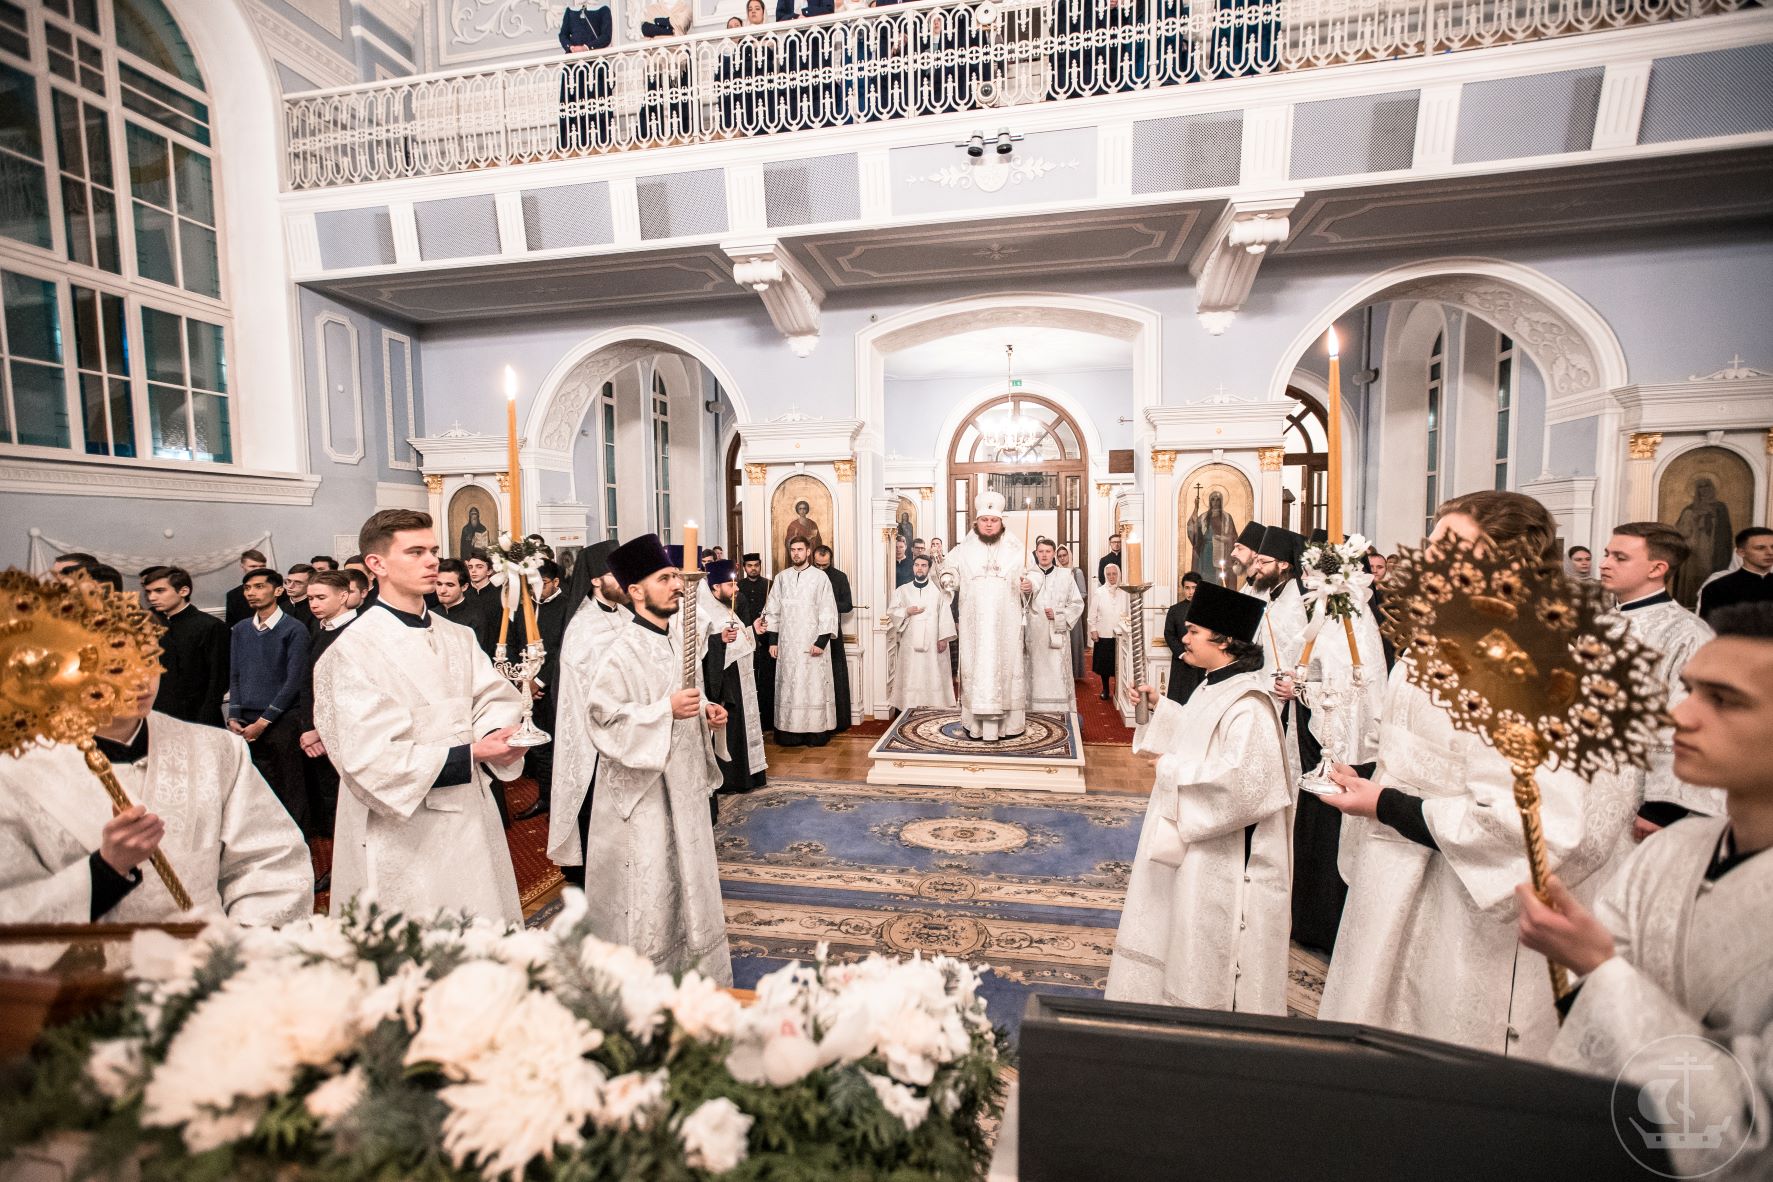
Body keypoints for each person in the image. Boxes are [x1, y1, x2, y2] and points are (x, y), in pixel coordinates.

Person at [1317, 490, 1634, 1058]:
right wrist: (1372, 774)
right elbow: (1434, 754)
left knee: (1443, 1057)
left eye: (1448, 547)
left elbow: (1540, 825)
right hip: (1404, 884)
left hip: (1468, 915)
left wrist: (1386, 804)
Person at [1515, 604, 1772, 1182]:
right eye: (1688, 691)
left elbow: (1749, 1135)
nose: (1678, 715)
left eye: (1724, 700)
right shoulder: (1668, 853)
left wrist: (1598, 966)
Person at [313, 510, 529, 923]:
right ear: (376, 564)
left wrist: (498, 734)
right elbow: (365, 757)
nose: (432, 561)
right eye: (415, 552)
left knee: (481, 923)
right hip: (402, 831)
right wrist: (470, 753)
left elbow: (492, 697)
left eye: (433, 550)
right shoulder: (352, 650)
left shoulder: (458, 636)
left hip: (470, 812)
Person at [0, 664, 313, 924]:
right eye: (116, 666)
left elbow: (269, 862)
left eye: (148, 657)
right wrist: (105, 871)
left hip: (208, 970)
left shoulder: (216, 749)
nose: (140, 678)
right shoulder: (15, 771)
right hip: (84, 985)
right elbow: (11, 904)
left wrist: (242, 953)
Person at [1105, 581, 1291, 1012]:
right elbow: (1196, 730)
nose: (1183, 639)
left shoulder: (1251, 705)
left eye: (1193, 632)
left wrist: (1170, 769)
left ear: (1224, 641)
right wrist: (1163, 707)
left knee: (1202, 940)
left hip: (1219, 859)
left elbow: (1246, 786)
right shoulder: (1215, 685)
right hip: (1190, 843)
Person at [582, 533, 732, 981]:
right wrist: (664, 711)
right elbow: (602, 722)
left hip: (682, 787)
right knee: (648, 892)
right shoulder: (617, 652)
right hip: (642, 796)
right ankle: (643, 985)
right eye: (665, 578)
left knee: (688, 880)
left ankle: (692, 973)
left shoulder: (672, 640)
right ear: (635, 591)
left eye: (675, 577)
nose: (677, 586)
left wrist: (706, 711)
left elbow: (687, 693)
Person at [1601, 523, 1723, 840]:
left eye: (1619, 557)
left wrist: (1662, 807)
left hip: (1638, 792)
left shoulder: (1686, 633)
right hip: (1589, 784)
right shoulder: (1602, 621)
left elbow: (1691, 721)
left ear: (1657, 568)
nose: (1605, 564)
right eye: (1606, 554)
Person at [549, 540, 627, 884]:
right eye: (617, 574)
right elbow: (586, 686)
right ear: (596, 580)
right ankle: (589, 869)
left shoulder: (624, 615)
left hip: (626, 725)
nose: (624, 580)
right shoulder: (583, 628)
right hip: (594, 732)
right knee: (593, 798)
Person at [938, 492, 1031, 741]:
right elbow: (949, 570)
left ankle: (1008, 726)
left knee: (1006, 667)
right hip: (974, 624)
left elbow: (1032, 574)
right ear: (976, 523)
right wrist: (948, 578)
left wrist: (1030, 584)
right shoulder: (963, 549)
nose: (989, 524)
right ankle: (975, 725)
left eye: (994, 520)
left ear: (1001, 523)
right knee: (976, 667)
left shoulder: (1015, 548)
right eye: (984, 520)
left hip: (1007, 624)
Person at [228, 567, 312, 835]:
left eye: (259, 587)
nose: (251, 593)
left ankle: (299, 841)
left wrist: (264, 722)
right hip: (246, 720)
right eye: (247, 588)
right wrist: (233, 715)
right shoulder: (241, 629)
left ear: (278, 591)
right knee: (255, 784)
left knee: (290, 783)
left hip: (282, 718)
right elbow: (236, 674)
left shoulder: (294, 629)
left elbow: (294, 681)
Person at [295, 570, 357, 863]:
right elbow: (308, 682)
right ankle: (342, 864)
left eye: (321, 597)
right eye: (310, 598)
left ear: (344, 596)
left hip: (345, 732)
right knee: (331, 803)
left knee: (349, 803)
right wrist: (308, 727)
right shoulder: (319, 628)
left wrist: (318, 730)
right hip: (318, 730)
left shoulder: (355, 632)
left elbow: (347, 690)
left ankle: (353, 864)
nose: (314, 604)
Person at [760, 537, 839, 747]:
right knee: (789, 687)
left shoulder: (820, 578)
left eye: (800, 549)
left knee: (812, 687)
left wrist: (821, 642)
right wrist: (773, 641)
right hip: (787, 646)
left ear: (808, 551)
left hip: (811, 644)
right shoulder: (782, 578)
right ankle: (789, 733)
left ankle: (815, 733)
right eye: (793, 550)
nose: (796, 553)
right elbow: (772, 610)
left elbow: (828, 610)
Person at [703, 560, 767, 796]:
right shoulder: (707, 613)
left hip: (741, 676)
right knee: (732, 728)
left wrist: (753, 630)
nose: (736, 588)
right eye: (730, 585)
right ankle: (732, 779)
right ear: (715, 587)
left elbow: (738, 639)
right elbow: (703, 651)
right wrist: (719, 641)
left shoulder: (726, 609)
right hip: (726, 681)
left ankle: (749, 776)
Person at [142, 566, 229, 728]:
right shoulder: (150, 627)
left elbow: (218, 680)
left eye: (160, 591)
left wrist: (205, 718)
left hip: (198, 717)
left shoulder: (210, 626)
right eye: (149, 592)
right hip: (158, 715)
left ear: (183, 591)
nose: (152, 597)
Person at [1024, 538, 1085, 714]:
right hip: (1034, 635)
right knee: (1035, 675)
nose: (1044, 555)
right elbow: (1020, 604)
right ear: (1036, 553)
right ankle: (1033, 712)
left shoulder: (1066, 575)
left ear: (1053, 554)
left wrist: (1059, 615)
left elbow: (1077, 604)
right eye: (1041, 551)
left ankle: (1061, 712)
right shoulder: (1028, 576)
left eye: (1048, 551)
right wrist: (1023, 592)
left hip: (1056, 636)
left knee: (1057, 674)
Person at [889, 553, 956, 711]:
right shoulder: (902, 590)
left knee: (932, 671)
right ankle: (908, 705)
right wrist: (906, 611)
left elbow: (945, 616)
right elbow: (892, 611)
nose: (920, 568)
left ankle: (935, 705)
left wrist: (943, 639)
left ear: (929, 568)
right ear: (913, 567)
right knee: (912, 671)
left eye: (923, 565)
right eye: (917, 565)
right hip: (910, 642)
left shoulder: (938, 592)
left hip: (933, 641)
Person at [1671, 477, 1735, 608]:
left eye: (1707, 487)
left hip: (1713, 548)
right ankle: (1688, 604)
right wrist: (1693, 517)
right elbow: (1680, 532)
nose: (1704, 490)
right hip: (1693, 551)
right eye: (1701, 487)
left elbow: (1725, 531)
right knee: (1691, 578)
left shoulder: (1720, 508)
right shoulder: (1689, 509)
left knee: (1709, 575)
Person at [557, 0, 613, 151]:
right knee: (573, 103)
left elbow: (606, 36)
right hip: (573, 66)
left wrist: (587, 48)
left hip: (595, 65)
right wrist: (571, 47)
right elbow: (562, 34)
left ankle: (600, 141)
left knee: (597, 102)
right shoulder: (570, 11)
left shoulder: (603, 10)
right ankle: (570, 144)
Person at [811, 545, 854, 735]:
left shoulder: (839, 577)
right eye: (818, 565)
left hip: (832, 633)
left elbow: (848, 605)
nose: (821, 569)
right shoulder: (808, 577)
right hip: (810, 631)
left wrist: (828, 604)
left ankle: (839, 721)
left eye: (825, 566)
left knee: (835, 674)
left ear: (831, 561)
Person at [1698, 527, 1773, 620]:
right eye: (1760, 548)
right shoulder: (1717, 588)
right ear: (1741, 552)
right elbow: (1707, 628)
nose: (1770, 552)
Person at [435, 557, 498, 659]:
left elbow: (480, 658)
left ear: (464, 587)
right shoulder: (431, 614)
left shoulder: (477, 617)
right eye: (439, 584)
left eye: (449, 585)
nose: (442, 590)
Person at [1088, 561, 1132, 705]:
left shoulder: (1125, 591)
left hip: (1120, 634)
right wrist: (1093, 629)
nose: (1112, 577)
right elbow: (1092, 613)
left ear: (1118, 574)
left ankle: (1118, 690)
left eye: (1114, 574)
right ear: (1105, 576)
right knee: (1104, 665)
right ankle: (1105, 689)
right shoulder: (1099, 592)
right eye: (1109, 574)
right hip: (1104, 633)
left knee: (1119, 665)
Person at [1161, 572, 1204, 705]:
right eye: (1187, 588)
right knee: (1179, 702)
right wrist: (1183, 654)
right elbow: (1169, 634)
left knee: (1200, 702)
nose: (1190, 592)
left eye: (1194, 588)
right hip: (1182, 663)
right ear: (1183, 589)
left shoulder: (1207, 609)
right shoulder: (1175, 610)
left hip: (1203, 661)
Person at [1186, 488, 1240, 584]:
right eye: (1213, 499)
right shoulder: (1203, 517)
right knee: (1206, 577)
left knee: (1220, 579)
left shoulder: (1227, 517)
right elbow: (1193, 529)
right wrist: (1196, 508)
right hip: (1206, 552)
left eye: (1218, 499)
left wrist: (1226, 539)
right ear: (1210, 501)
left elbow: (1234, 538)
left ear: (1221, 501)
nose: (1215, 502)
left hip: (1222, 552)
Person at [1056, 544, 1088, 680]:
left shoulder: (1077, 572)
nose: (1063, 558)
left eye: (1065, 555)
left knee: (1074, 643)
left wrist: (1068, 603)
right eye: (1060, 556)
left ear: (1069, 556)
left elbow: (1083, 593)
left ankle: (1075, 673)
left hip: (1072, 613)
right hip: (1059, 613)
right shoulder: (1056, 572)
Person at [224, 548, 269, 627]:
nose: (258, 570)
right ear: (242, 566)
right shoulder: (233, 595)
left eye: (262, 566)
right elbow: (231, 625)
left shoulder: (278, 591)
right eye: (253, 566)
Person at [1230, 521, 1265, 593]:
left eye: (1239, 548)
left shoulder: (1267, 590)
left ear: (1255, 553)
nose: (1232, 553)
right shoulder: (1247, 585)